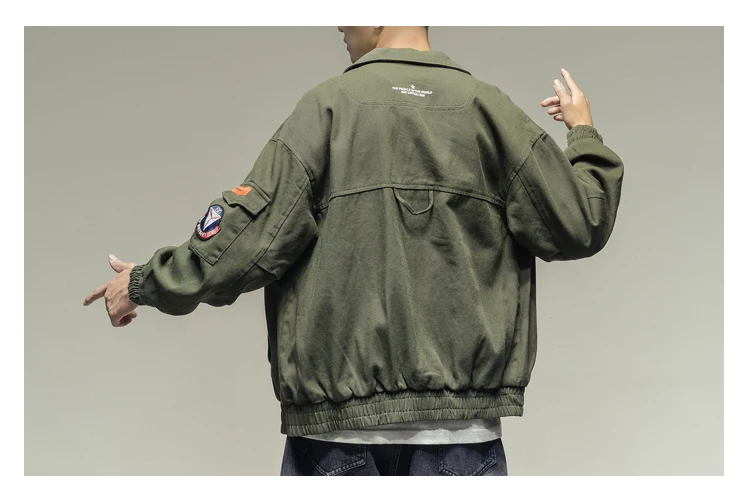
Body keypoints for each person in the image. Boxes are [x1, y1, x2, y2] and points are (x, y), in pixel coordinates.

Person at [84, 26, 624, 476]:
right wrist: (583, 133)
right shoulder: (490, 111)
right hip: (461, 439)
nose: (338, 23)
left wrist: (146, 282)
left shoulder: (328, 110)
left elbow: (244, 236)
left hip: (336, 442)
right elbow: (581, 222)